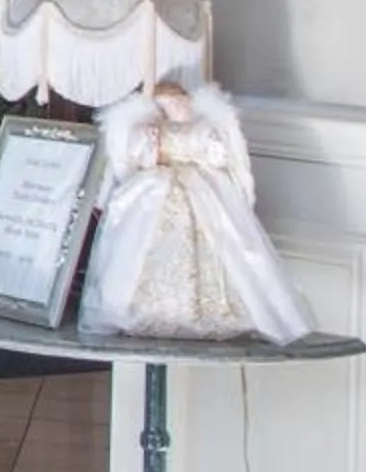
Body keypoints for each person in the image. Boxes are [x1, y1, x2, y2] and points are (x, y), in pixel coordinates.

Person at [81, 81, 313, 343]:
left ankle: (216, 309)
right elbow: (127, 163)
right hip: (157, 192)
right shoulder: (150, 131)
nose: (178, 108)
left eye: (181, 103)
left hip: (201, 191)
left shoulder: (206, 128)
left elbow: (222, 158)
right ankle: (146, 306)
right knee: (143, 244)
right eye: (171, 104)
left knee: (221, 242)